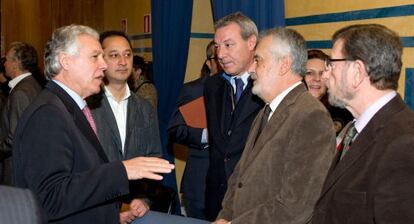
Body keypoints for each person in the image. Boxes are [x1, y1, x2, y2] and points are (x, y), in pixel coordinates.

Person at [12, 24, 174, 224]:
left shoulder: (69, 107)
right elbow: (51, 198)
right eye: (95, 56)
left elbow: (80, 181)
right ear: (66, 61)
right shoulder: (48, 114)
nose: (103, 65)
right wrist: (122, 171)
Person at [213, 27, 335, 224]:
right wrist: (225, 216)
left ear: (284, 65)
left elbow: (296, 205)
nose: (251, 69)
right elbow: (240, 177)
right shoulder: (265, 111)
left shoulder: (311, 117)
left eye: (258, 60)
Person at [312, 24, 414, 223]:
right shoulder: (354, 128)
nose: (325, 75)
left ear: (357, 72)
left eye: (331, 64)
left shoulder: (404, 144)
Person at [86, 30, 162, 223]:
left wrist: (145, 199)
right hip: (95, 210)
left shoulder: (144, 108)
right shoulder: (86, 106)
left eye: (127, 54)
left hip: (135, 211)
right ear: (100, 59)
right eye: (114, 55)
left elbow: (153, 157)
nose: (122, 61)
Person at [204, 12, 264, 221]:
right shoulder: (212, 86)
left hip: (254, 200)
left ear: (251, 43)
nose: (220, 54)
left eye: (228, 45)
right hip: (216, 198)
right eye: (218, 46)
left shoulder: (268, 86)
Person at [168, 40, 221, 219]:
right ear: (208, 62)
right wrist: (206, 135)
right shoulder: (194, 90)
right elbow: (175, 130)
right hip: (200, 182)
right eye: (218, 57)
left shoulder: (246, 90)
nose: (224, 61)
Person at [0, 42, 43, 185]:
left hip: (16, 168)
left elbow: (16, 137)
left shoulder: (21, 92)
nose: (4, 64)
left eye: (6, 59)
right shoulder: (32, 85)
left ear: (15, 63)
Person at [305, 49, 352, 134]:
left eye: (322, 73)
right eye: (309, 73)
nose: (317, 79)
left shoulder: (344, 112)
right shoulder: (288, 111)